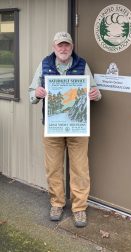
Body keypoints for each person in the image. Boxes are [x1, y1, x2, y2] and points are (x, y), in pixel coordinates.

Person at [29, 31, 101, 227]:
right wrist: (37, 93)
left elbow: (95, 90)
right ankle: (57, 203)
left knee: (80, 169)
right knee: (53, 168)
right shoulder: (45, 64)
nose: (63, 49)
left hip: (77, 127)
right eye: (59, 45)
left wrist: (95, 94)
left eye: (66, 45)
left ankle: (79, 208)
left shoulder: (82, 64)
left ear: (72, 47)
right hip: (52, 127)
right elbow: (31, 93)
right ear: (54, 47)